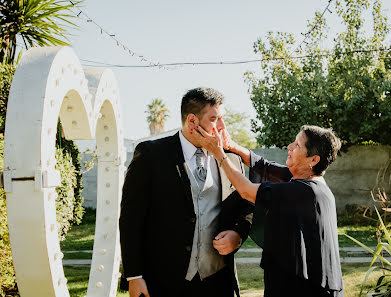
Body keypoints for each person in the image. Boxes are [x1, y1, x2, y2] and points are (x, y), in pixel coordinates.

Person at [119, 87, 253, 297]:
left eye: (222, 119)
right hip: (163, 281)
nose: (222, 127)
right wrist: (134, 276)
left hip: (218, 281)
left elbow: (246, 206)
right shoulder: (151, 155)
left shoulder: (231, 160)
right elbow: (130, 218)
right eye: (214, 119)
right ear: (192, 121)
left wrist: (238, 234)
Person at [194, 124, 344, 297]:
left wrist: (218, 153)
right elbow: (264, 166)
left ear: (313, 160)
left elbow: (246, 190)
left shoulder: (305, 191)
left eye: (297, 145)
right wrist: (231, 145)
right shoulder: (305, 180)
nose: (290, 147)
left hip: (307, 290)